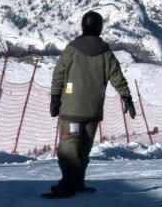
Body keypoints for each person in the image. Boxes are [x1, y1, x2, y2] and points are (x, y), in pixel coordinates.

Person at [48, 11, 136, 198]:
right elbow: (117, 77)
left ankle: (67, 183)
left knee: (69, 146)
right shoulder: (105, 52)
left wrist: (55, 97)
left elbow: (59, 74)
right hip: (93, 110)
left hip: (71, 109)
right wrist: (126, 98)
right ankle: (78, 182)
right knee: (84, 147)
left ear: (83, 26)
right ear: (99, 28)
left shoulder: (71, 49)